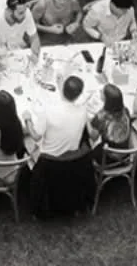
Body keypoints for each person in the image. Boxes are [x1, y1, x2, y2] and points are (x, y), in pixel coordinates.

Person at [27, 76, 95, 216]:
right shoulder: (83, 111)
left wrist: (27, 119)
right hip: (73, 159)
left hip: (48, 160)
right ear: (79, 95)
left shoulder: (48, 111)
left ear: (63, 90)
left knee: (27, 140)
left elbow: (35, 136)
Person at [89, 83, 136, 150]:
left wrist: (88, 121)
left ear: (106, 99)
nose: (100, 92)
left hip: (109, 153)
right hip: (125, 149)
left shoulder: (101, 116)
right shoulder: (125, 110)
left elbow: (93, 137)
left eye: (102, 92)